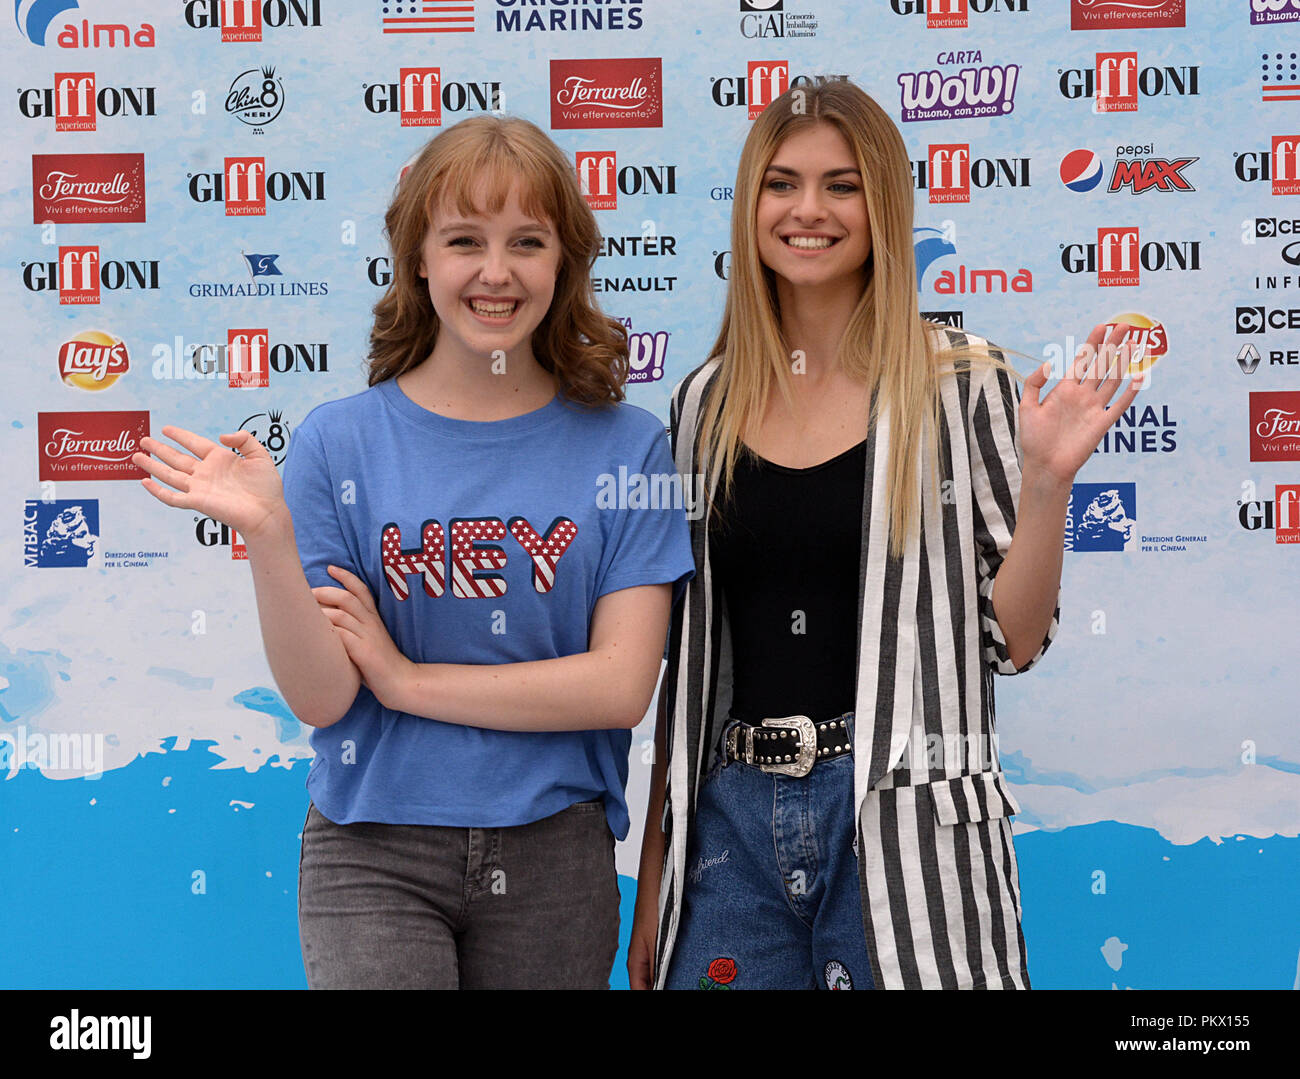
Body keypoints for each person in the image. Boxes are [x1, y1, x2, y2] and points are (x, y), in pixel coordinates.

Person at [133, 114, 694, 989]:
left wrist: (407, 681)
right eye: (465, 239)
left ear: (564, 262)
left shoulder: (627, 449)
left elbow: (619, 686)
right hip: (373, 857)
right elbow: (323, 696)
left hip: (555, 855)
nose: (496, 272)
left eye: (528, 242)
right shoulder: (335, 445)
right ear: (419, 258)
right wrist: (273, 540)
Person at [628, 79, 1145, 991]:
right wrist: (658, 886)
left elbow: (1013, 639)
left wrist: (1047, 484)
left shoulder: (964, 383)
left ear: (884, 206)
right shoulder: (699, 406)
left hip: (905, 824)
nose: (808, 210)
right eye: (781, 183)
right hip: (732, 831)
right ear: (750, 204)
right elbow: (686, 674)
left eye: (842, 184)